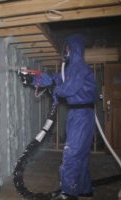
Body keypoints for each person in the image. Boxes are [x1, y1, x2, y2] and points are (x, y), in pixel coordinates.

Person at [31, 33, 96, 200]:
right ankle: (84, 190)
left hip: (81, 115)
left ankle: (68, 193)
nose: (64, 52)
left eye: (66, 48)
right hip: (77, 114)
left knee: (72, 154)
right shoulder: (70, 69)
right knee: (80, 154)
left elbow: (68, 89)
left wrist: (54, 87)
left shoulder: (79, 67)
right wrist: (37, 79)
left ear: (73, 49)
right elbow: (56, 79)